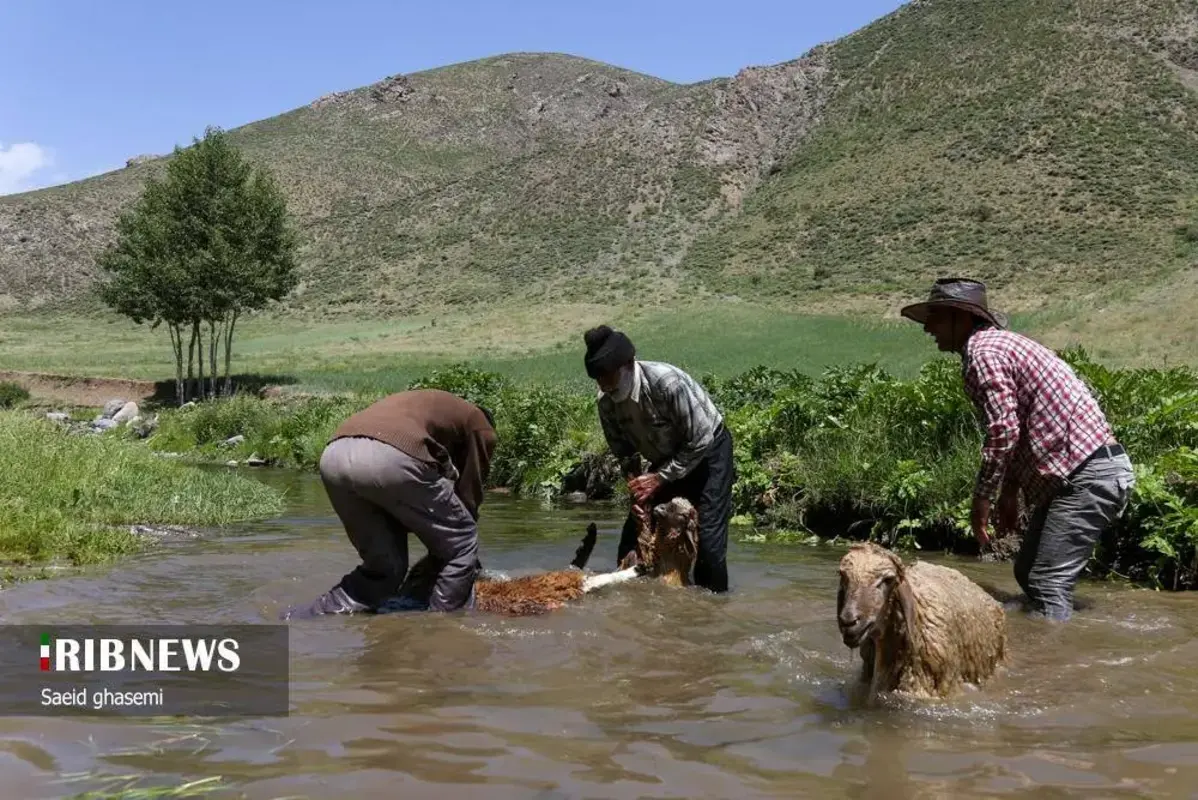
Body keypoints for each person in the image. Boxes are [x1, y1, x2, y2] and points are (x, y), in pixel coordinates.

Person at [900, 278, 1134, 622]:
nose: (928, 329)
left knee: (1046, 582)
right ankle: (1068, 626)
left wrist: (983, 499)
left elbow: (1003, 430)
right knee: (1027, 573)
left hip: (1086, 476)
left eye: (935, 317)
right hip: (1086, 473)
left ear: (961, 319)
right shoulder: (998, 346)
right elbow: (1019, 426)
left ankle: (1054, 665)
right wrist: (1009, 491)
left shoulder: (982, 353)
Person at [285, 388, 497, 618]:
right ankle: (437, 626)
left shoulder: (428, 406)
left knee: (385, 569)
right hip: (390, 456)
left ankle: (303, 616)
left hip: (333, 456)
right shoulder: (479, 422)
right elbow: (470, 489)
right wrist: (456, 537)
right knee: (462, 543)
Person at [582, 324, 735, 593]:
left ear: (629, 363)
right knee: (632, 538)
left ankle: (713, 611)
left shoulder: (666, 383)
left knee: (709, 541)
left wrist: (660, 479)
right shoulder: (606, 402)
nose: (605, 385)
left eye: (609, 376)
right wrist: (638, 496)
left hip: (709, 451)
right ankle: (632, 607)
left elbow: (700, 440)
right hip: (666, 460)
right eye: (598, 379)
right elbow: (625, 454)